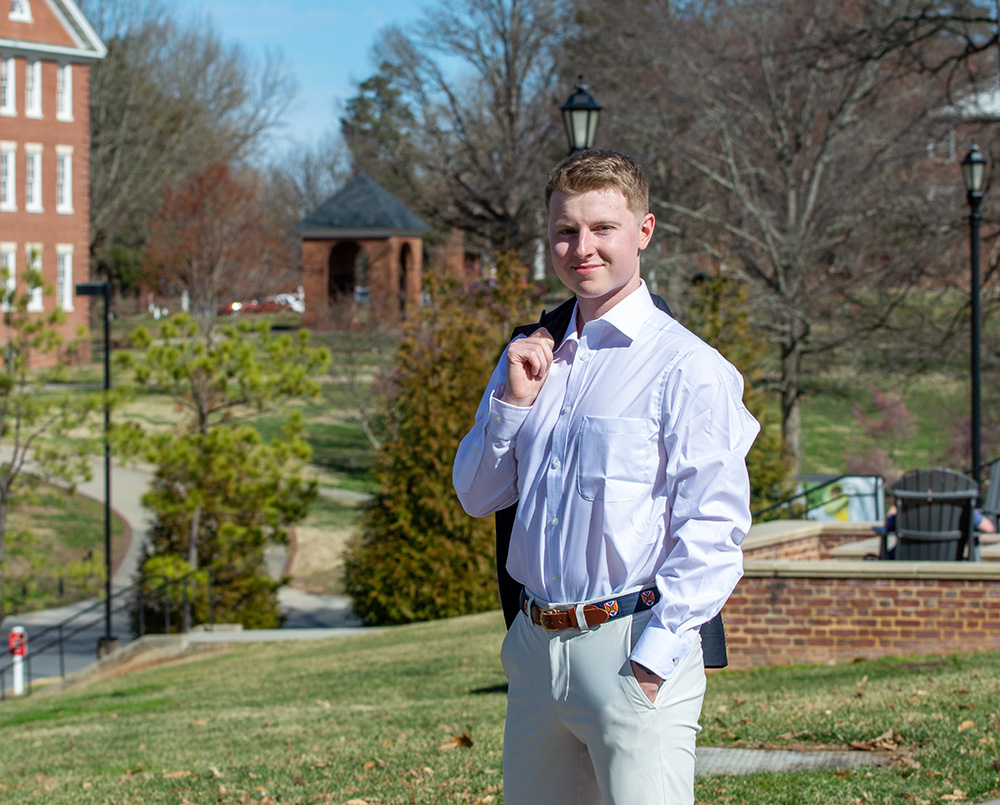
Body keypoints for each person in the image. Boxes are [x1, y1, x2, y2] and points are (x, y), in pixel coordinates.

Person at [452, 149, 760, 804]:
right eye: (566, 231)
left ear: (642, 232)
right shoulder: (529, 355)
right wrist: (510, 406)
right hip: (537, 650)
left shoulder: (686, 368)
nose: (581, 247)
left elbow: (714, 529)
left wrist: (654, 659)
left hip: (629, 643)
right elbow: (477, 495)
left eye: (602, 229)